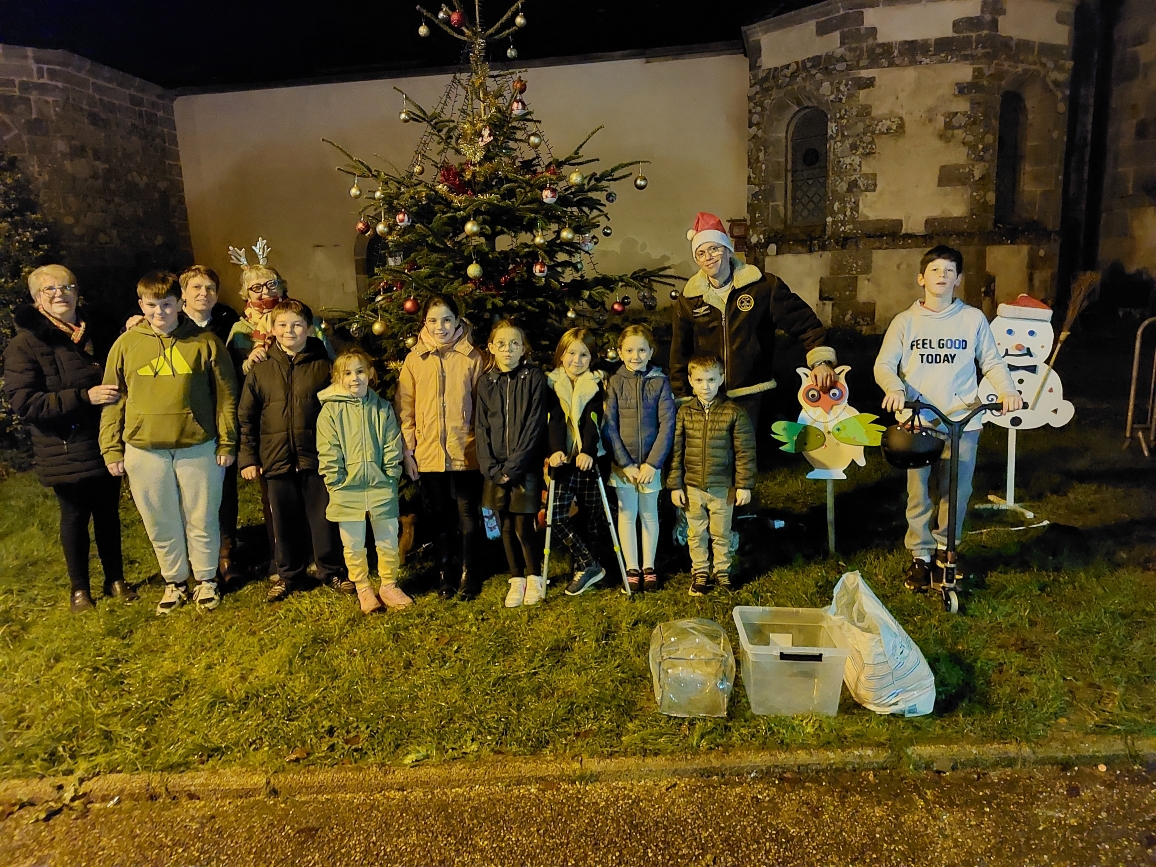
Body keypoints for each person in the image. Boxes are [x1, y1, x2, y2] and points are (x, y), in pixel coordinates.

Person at [874, 245, 1023, 591]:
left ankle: (947, 549)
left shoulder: (972, 319)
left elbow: (991, 361)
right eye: (935, 270)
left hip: (962, 419)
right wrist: (894, 389)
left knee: (957, 490)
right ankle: (920, 554)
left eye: (949, 271)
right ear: (921, 278)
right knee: (918, 492)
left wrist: (1007, 391)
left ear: (958, 279)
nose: (942, 276)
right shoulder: (905, 321)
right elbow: (884, 364)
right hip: (918, 420)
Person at [99, 271, 238, 614]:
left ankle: (206, 578)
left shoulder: (205, 342)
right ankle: (174, 580)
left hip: (197, 444)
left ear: (179, 303)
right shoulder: (126, 345)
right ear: (141, 305)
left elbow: (226, 396)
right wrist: (111, 447)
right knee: (159, 519)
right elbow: (114, 398)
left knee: (201, 516)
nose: (159, 312)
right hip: (144, 447)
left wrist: (227, 441)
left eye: (166, 304)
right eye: (152, 305)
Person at [4, 264, 132, 612]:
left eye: (67, 287)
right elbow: (24, 402)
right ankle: (80, 590)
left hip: (103, 439)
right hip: (63, 445)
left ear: (77, 293)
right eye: (50, 289)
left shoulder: (97, 330)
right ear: (36, 298)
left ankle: (116, 579)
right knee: (74, 516)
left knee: (108, 513)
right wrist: (83, 397)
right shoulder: (25, 344)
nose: (60, 294)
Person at [669, 212, 837, 432]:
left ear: (727, 250)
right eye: (701, 253)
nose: (708, 257)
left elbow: (804, 322)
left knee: (750, 451)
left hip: (753, 396)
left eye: (714, 249)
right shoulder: (689, 299)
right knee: (714, 454)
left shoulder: (762, 287)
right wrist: (682, 396)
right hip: (710, 395)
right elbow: (680, 351)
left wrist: (820, 361)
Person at [226, 256, 331, 581]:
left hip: (313, 446)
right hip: (274, 443)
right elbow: (245, 408)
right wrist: (248, 456)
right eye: (256, 287)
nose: (264, 292)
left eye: (270, 285)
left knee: (320, 510)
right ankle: (285, 567)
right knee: (280, 512)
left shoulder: (318, 351)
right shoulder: (247, 342)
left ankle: (326, 564)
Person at [238, 298, 350, 602]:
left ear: (309, 328)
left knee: (324, 517)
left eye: (297, 325)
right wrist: (248, 458)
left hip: (317, 457)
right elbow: (247, 417)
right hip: (276, 458)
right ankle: (289, 574)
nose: (290, 331)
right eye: (283, 325)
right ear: (273, 329)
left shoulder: (323, 366)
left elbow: (340, 410)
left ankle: (331, 569)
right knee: (284, 521)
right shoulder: (261, 370)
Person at [395, 295, 485, 600]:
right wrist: (408, 450)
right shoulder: (415, 359)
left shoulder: (472, 358)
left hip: (464, 450)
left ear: (457, 321)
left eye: (447, 320)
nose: (440, 327)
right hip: (428, 452)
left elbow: (481, 407)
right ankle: (445, 571)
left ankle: (470, 571)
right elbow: (405, 407)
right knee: (440, 515)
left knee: (467, 513)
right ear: (424, 322)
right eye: (433, 320)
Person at [317, 348, 410, 614]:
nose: (354, 378)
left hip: (381, 487)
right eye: (347, 373)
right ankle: (363, 588)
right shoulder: (330, 412)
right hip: (347, 489)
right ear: (338, 378)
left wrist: (391, 475)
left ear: (370, 374)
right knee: (354, 544)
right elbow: (328, 449)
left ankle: (389, 585)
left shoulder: (382, 408)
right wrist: (336, 481)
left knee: (387, 540)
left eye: (359, 371)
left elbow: (392, 444)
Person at [665, 355, 756, 596]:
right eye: (699, 380)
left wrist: (743, 485)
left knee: (721, 532)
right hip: (692, 486)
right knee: (696, 532)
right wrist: (675, 485)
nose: (705, 386)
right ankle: (700, 572)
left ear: (721, 379)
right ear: (690, 381)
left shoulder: (734, 412)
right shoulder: (684, 413)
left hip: (722, 487)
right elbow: (676, 450)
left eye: (711, 380)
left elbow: (745, 451)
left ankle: (722, 571)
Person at [475, 319, 549, 608]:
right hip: (495, 468)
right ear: (491, 347)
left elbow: (534, 425)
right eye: (502, 344)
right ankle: (516, 578)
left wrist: (514, 467)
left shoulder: (534, 378)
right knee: (505, 526)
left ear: (523, 348)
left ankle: (534, 576)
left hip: (524, 467)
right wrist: (491, 468)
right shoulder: (486, 382)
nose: (508, 349)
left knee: (523, 526)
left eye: (514, 343)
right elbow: (482, 427)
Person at [602, 324, 675, 593]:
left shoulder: (660, 382)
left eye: (642, 350)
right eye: (630, 350)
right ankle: (631, 567)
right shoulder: (615, 383)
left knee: (649, 513)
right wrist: (626, 463)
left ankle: (649, 566)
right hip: (624, 465)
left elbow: (667, 425)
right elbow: (609, 426)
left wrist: (653, 463)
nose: (636, 356)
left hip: (650, 465)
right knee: (627, 513)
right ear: (620, 353)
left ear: (651, 352)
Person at [545, 327, 610, 597]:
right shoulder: (551, 383)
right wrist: (556, 450)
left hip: (589, 457)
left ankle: (583, 569)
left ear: (591, 358)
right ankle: (588, 563)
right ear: (561, 355)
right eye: (571, 353)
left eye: (584, 355)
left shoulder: (595, 384)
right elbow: (554, 420)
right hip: (563, 460)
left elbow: (593, 420)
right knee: (557, 516)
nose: (577, 360)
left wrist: (589, 451)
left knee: (591, 516)